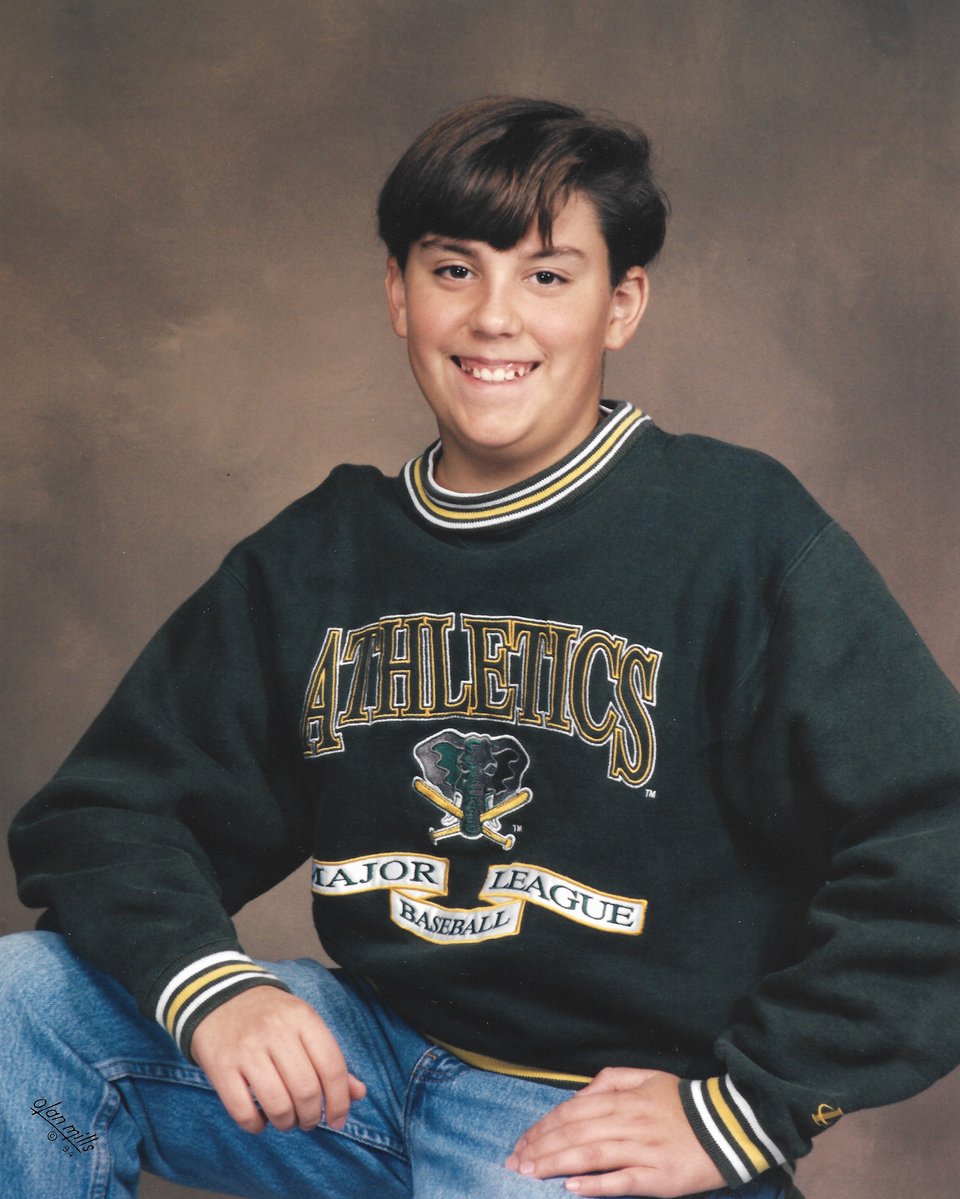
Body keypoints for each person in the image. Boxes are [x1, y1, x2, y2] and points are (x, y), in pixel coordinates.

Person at [4, 96, 960, 1199]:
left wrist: (745, 1110)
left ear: (621, 304)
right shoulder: (320, 556)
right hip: (371, 1067)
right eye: (454, 269)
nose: (494, 317)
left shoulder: (739, 534)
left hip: (584, 1112)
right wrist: (214, 987)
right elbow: (108, 811)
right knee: (25, 1002)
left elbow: (936, 838)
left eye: (547, 275)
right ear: (398, 293)